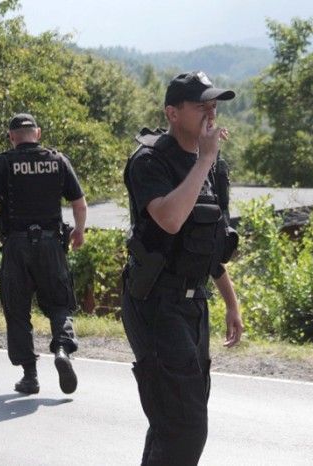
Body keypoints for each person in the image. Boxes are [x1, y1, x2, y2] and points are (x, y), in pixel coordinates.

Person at [122, 71, 244, 465]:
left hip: (194, 304)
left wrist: (231, 303)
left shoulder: (212, 167)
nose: (211, 112)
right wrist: (205, 158)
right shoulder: (149, 161)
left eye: (214, 104)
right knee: (186, 427)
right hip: (156, 301)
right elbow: (170, 220)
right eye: (200, 105)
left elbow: (207, 243)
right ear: (172, 113)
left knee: (173, 419)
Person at [0, 113, 87, 395]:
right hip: (51, 244)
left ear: (11, 137)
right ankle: (62, 350)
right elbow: (79, 203)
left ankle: (30, 376)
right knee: (60, 304)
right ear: (38, 133)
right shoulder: (58, 160)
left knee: (18, 310)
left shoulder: (3, 164)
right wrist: (79, 232)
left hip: (16, 246)